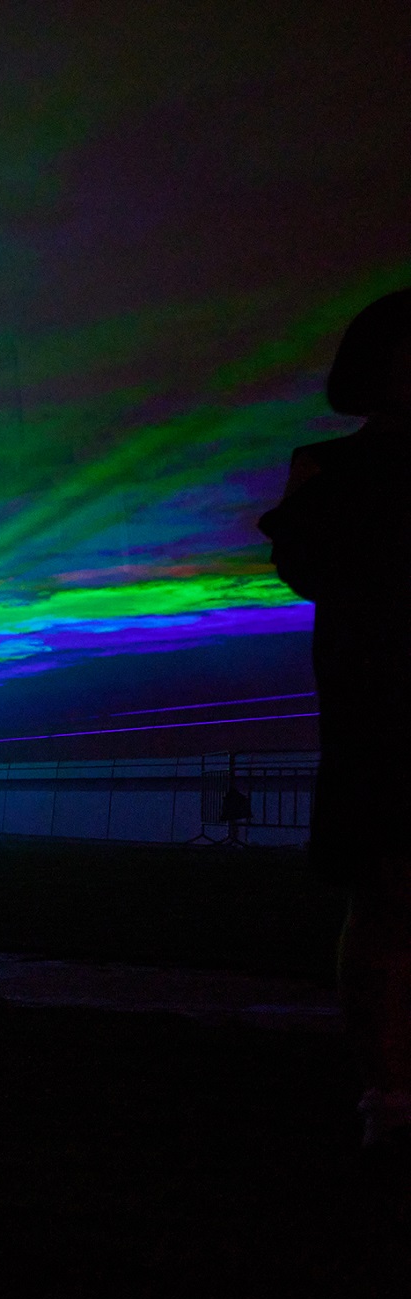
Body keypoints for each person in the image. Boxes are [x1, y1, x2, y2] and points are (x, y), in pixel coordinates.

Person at [258, 288, 411, 1149]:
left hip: (374, 708)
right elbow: (315, 567)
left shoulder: (330, 477)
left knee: (387, 905)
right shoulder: (333, 476)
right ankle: (390, 1097)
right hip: (384, 714)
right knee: (390, 900)